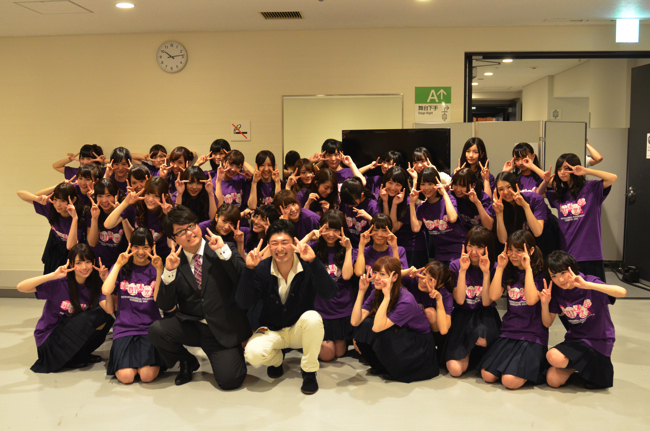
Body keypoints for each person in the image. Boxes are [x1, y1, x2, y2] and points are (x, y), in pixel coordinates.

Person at [149, 205, 251, 389]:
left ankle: (230, 353)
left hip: (223, 328)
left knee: (230, 380)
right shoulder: (174, 261)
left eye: (191, 226)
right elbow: (165, 305)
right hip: (192, 325)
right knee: (157, 330)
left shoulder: (224, 248)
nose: (189, 233)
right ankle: (187, 361)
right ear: (173, 238)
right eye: (181, 231)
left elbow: (244, 283)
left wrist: (222, 252)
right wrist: (168, 272)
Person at [237, 220, 338, 394]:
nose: (280, 248)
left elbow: (330, 294)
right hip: (272, 329)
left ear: (294, 244)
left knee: (313, 318)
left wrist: (314, 262)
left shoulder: (307, 265)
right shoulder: (261, 268)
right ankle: (277, 360)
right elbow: (243, 303)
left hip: (299, 330)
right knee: (252, 353)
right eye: (274, 243)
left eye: (285, 242)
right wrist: (249, 269)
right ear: (269, 246)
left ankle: (309, 371)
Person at [17, 244, 114, 373]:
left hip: (68, 334)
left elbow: (109, 310)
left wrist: (106, 281)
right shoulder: (60, 283)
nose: (84, 267)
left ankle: (80, 354)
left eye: (88, 262)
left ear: (94, 262)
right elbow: (21, 287)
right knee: (87, 318)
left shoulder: (94, 285)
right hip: (49, 341)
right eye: (78, 263)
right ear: (71, 264)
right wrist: (53, 275)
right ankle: (71, 358)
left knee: (104, 317)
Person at [543, 250, 626, 389]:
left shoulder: (589, 281)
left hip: (599, 341)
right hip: (576, 340)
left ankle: (587, 366)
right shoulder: (557, 292)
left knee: (553, 356)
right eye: (554, 276)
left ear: (572, 268)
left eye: (563, 273)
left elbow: (622, 292)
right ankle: (580, 367)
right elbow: (547, 323)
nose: (560, 280)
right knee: (552, 380)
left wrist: (587, 285)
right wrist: (545, 303)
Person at [351, 256, 439, 383]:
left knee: (378, 329)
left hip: (418, 345)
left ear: (395, 277)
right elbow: (355, 321)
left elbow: (377, 327)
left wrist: (387, 297)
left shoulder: (406, 301)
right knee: (364, 325)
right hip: (402, 334)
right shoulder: (377, 292)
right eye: (375, 272)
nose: (376, 277)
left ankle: (397, 369)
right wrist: (361, 291)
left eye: (382, 274)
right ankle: (380, 365)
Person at [479, 230, 548, 390]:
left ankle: (539, 367)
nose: (514, 255)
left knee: (509, 381)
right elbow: (493, 296)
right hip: (509, 331)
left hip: (532, 334)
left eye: (519, 250)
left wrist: (528, 269)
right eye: (510, 249)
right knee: (487, 375)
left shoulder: (540, 273)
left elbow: (531, 300)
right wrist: (500, 267)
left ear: (531, 250)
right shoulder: (509, 270)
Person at [537, 153, 617, 281]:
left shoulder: (591, 188)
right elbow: (539, 194)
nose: (562, 172)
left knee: (593, 291)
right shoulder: (560, 194)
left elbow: (612, 178)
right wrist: (546, 181)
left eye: (566, 168)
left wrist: (586, 171)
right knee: (571, 290)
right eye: (559, 169)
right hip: (567, 253)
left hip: (589, 253)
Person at [102, 228, 165, 384]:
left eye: (145, 247)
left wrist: (159, 270)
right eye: (136, 246)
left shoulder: (157, 267)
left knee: (146, 376)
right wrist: (118, 265)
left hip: (149, 328)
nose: (141, 252)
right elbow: (106, 290)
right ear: (130, 246)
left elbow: (159, 300)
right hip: (124, 328)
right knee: (126, 377)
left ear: (152, 247)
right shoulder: (121, 267)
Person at [444, 227, 501, 377]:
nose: (474, 251)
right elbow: (460, 300)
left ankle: (474, 354)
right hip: (462, 314)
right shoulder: (455, 265)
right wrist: (463, 270)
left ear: (487, 248)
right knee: (455, 370)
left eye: (479, 247)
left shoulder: (495, 267)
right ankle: (468, 353)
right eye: (470, 246)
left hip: (485, 314)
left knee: (482, 339)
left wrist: (486, 273)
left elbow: (487, 302)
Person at [301, 210, 355, 362]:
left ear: (343, 230)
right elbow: (292, 253)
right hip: (320, 308)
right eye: (327, 229)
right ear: (320, 228)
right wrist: (308, 236)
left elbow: (346, 276)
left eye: (336, 230)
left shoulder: (348, 249)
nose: (331, 234)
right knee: (327, 355)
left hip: (342, 308)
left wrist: (349, 249)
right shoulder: (312, 248)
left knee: (339, 353)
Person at [17, 182, 86, 274]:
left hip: (75, 254)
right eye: (55, 199)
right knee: (50, 278)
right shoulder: (51, 208)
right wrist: (37, 198)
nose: (58, 204)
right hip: (56, 249)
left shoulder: (81, 216)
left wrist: (74, 218)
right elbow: (20, 194)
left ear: (73, 200)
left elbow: (70, 246)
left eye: (62, 201)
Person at [409, 166, 463, 266]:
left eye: (430, 184)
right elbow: (415, 228)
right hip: (440, 253)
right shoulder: (422, 208)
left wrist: (444, 193)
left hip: (458, 250)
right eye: (423, 184)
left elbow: (453, 218)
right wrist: (412, 203)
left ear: (437, 183)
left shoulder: (449, 199)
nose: (426, 188)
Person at [380, 166, 428, 268]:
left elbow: (392, 228)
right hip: (393, 244)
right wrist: (385, 202)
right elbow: (385, 224)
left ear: (403, 186)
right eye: (390, 182)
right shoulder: (382, 196)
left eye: (398, 184)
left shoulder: (408, 202)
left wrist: (394, 204)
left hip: (412, 247)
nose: (393, 188)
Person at [86, 179, 130, 269]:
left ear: (117, 194)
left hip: (120, 263)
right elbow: (92, 243)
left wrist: (121, 214)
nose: (104, 200)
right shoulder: (91, 210)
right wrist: (94, 218)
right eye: (100, 196)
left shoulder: (126, 208)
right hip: (98, 262)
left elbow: (131, 240)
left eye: (108, 195)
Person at [339, 177, 380, 248]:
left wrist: (370, 219)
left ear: (362, 195)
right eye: (347, 203)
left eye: (352, 203)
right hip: (349, 244)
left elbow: (380, 230)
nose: (349, 206)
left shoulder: (372, 206)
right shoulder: (346, 201)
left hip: (367, 246)